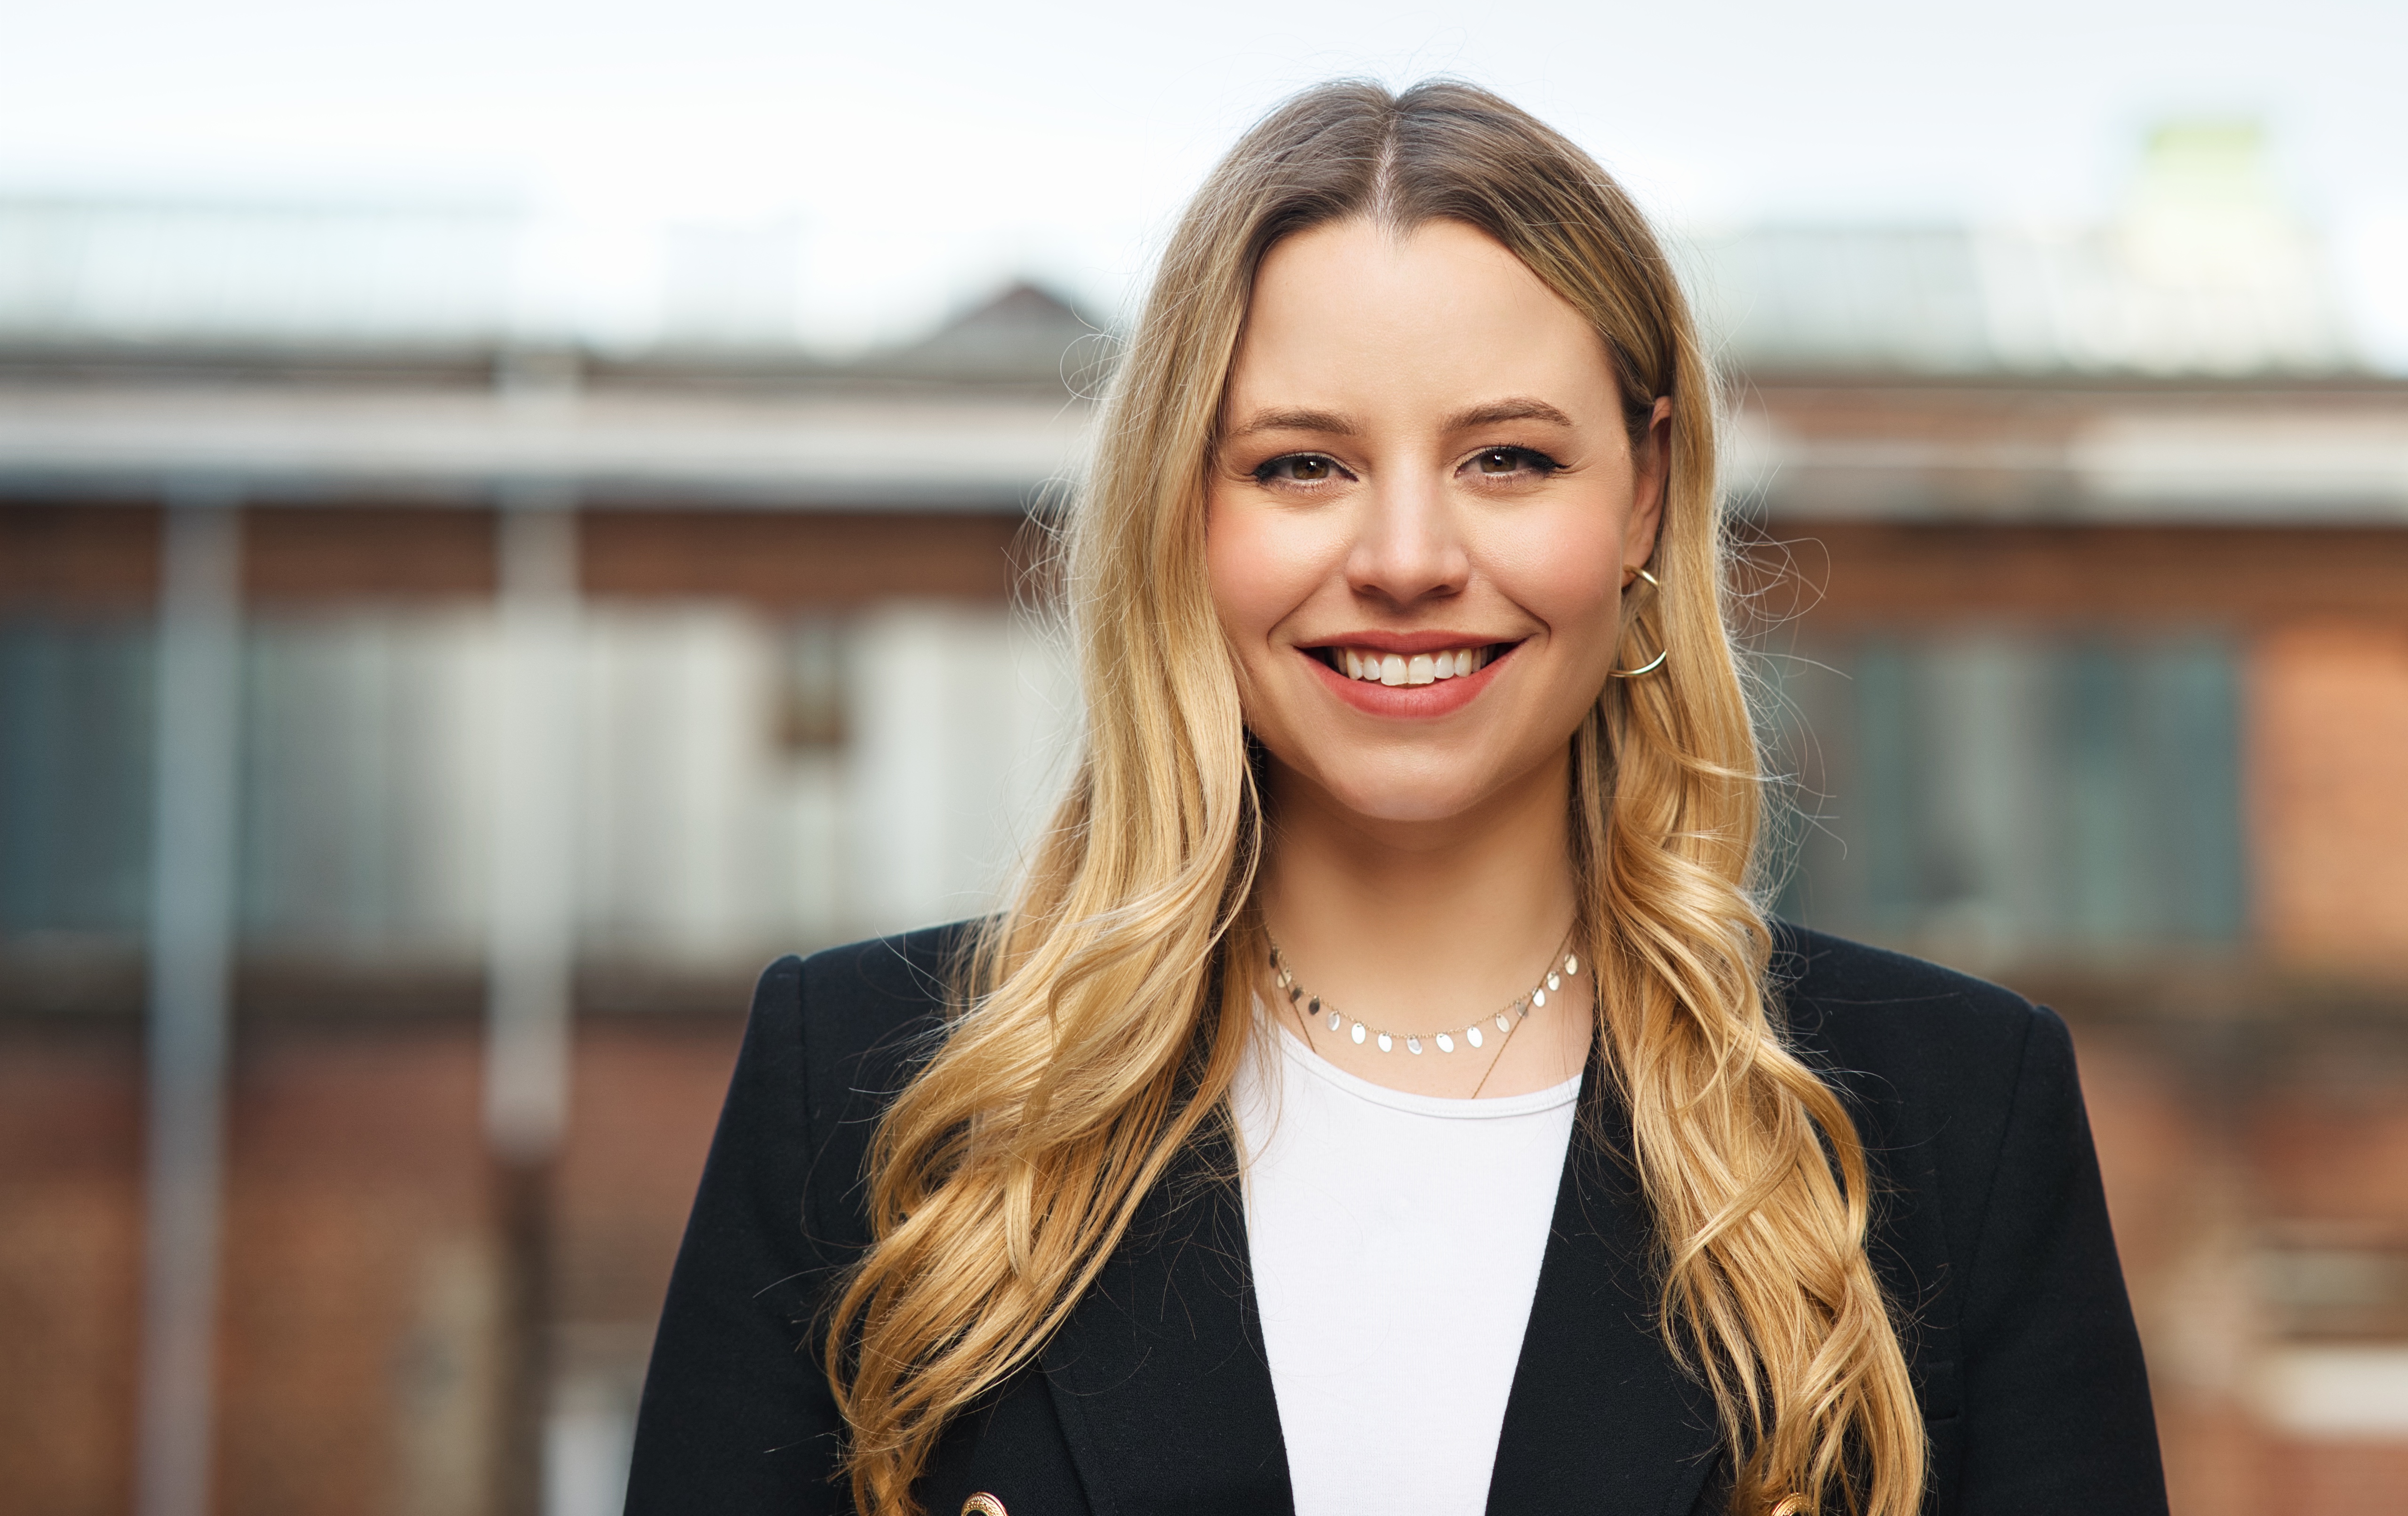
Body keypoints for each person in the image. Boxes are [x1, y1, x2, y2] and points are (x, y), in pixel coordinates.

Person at [626, 81, 2168, 1516]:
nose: (1410, 557)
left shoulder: (1956, 1119)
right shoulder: (868, 1099)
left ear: (1643, 492)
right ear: (1183, 508)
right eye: (1304, 467)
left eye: (1507, 457)